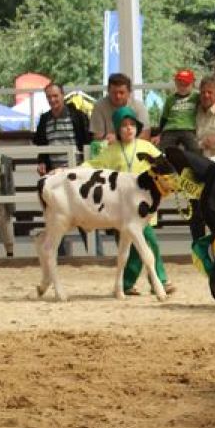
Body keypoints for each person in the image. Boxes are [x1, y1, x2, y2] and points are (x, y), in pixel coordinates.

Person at [88, 106, 175, 296]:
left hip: (146, 206)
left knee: (149, 243)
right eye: (124, 125)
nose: (128, 129)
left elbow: (164, 164)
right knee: (132, 248)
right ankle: (131, 283)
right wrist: (66, 171)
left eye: (132, 125)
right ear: (117, 130)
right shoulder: (111, 152)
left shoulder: (147, 148)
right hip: (120, 209)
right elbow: (91, 166)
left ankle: (157, 280)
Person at [34, 81, 91, 174]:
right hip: (53, 172)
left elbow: (87, 141)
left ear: (62, 95)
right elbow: (42, 145)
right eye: (49, 97)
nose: (52, 100)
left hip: (77, 170)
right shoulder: (44, 119)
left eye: (55, 96)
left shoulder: (78, 116)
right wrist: (42, 162)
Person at [90, 74, 151, 144]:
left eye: (121, 93)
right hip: (109, 149)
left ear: (129, 92)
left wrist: (120, 139)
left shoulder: (139, 106)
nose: (118, 96)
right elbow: (97, 137)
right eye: (114, 93)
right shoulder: (99, 106)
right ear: (108, 91)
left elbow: (145, 136)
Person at [156, 69, 200, 155]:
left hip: (188, 129)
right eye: (180, 84)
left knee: (195, 149)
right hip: (170, 129)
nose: (183, 87)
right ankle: (165, 167)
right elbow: (164, 119)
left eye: (186, 84)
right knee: (163, 150)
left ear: (192, 84)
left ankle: (195, 166)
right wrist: (159, 134)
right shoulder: (170, 99)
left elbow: (208, 99)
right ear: (176, 83)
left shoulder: (196, 97)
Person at [0, 121, 15, 259]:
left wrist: (11, 202)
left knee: (6, 226)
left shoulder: (3, 159)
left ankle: (10, 254)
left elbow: (10, 182)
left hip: (1, 198)